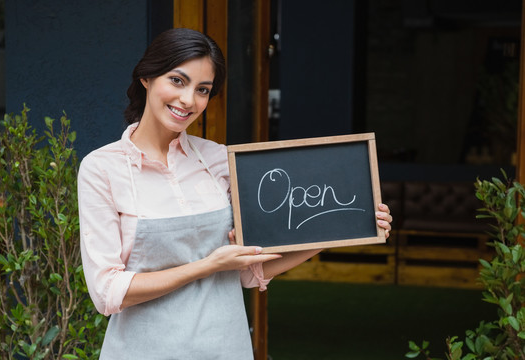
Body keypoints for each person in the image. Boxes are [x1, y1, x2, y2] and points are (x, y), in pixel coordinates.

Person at [77, 28, 393, 360]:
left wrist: (343, 227)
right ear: (146, 77)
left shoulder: (218, 159)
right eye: (177, 81)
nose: (188, 101)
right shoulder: (102, 168)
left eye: (203, 90)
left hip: (226, 348)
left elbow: (248, 269)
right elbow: (107, 292)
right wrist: (207, 265)